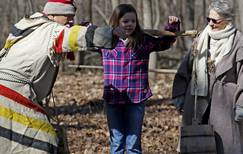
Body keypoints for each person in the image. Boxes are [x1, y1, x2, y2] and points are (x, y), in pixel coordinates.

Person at [0, 0, 125, 153]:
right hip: (11, 95)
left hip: (11, 89)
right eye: (68, 17)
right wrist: (109, 34)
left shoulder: (27, 25)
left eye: (72, 17)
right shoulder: (53, 31)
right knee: (42, 141)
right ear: (53, 14)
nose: (71, 21)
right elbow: (76, 36)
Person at [172, 0, 243, 153]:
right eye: (208, 19)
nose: (210, 23)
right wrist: (179, 93)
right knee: (196, 146)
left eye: (215, 20)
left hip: (225, 104)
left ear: (227, 20)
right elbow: (186, 68)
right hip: (196, 101)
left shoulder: (239, 43)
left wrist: (242, 105)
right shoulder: (201, 39)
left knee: (225, 146)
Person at [99, 4, 180, 154]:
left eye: (133, 21)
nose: (129, 25)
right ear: (116, 22)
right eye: (125, 21)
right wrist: (107, 32)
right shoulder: (105, 41)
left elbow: (165, 42)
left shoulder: (143, 41)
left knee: (133, 143)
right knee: (116, 141)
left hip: (136, 97)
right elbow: (86, 33)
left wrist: (172, 26)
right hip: (113, 98)